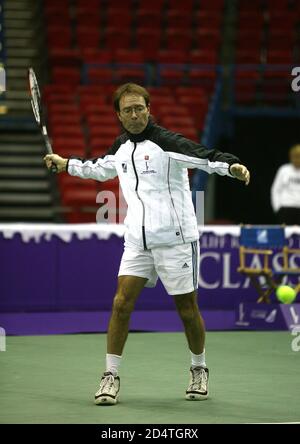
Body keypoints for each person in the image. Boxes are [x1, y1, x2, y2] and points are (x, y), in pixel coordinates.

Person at [44, 83, 250, 406]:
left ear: (149, 109)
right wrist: (66, 163)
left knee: (187, 310)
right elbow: (99, 169)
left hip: (176, 241)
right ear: (119, 115)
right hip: (138, 243)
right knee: (121, 303)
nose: (136, 114)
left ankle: (199, 368)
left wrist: (231, 166)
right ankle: (110, 376)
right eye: (128, 110)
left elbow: (204, 157)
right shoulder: (121, 148)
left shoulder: (166, 143)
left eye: (140, 107)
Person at [271, 144, 300, 225]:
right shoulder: (284, 170)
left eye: (299, 156)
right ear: (291, 157)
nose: (297, 159)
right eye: (295, 156)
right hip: (286, 209)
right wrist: (277, 208)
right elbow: (275, 190)